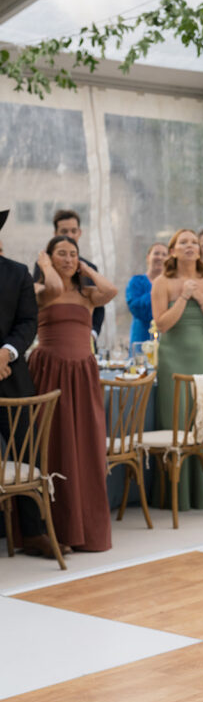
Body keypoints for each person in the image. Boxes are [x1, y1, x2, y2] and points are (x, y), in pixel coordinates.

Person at [29, 235, 117, 551]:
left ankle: (87, 531)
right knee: (55, 445)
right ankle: (57, 530)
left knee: (86, 446)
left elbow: (111, 291)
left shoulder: (87, 294)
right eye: (61, 254)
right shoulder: (40, 290)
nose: (68, 259)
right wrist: (43, 265)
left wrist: (86, 270)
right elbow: (52, 288)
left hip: (82, 373)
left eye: (73, 254)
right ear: (49, 258)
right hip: (50, 371)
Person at [151, 229, 203, 511]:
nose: (190, 246)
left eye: (193, 242)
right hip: (172, 361)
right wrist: (183, 297)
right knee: (177, 421)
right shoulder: (162, 282)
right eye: (183, 242)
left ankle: (201, 493)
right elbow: (161, 324)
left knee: (201, 422)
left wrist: (201, 298)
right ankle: (174, 495)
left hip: (201, 360)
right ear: (172, 251)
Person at [0, 209, 56, 557]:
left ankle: (33, 533)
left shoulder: (18, 273)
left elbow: (28, 322)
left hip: (13, 379)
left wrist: (5, 354)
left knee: (27, 452)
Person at [33, 209, 105, 340]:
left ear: (80, 232)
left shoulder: (89, 268)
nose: (70, 235)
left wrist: (92, 334)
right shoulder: (43, 266)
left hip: (85, 339)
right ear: (55, 234)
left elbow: (100, 305)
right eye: (64, 231)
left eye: (73, 231)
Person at [125, 242, 169, 346]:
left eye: (164, 254)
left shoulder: (172, 284)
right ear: (148, 257)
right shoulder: (136, 282)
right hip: (141, 338)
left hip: (166, 339)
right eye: (156, 253)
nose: (160, 257)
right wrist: (156, 290)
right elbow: (135, 308)